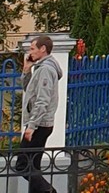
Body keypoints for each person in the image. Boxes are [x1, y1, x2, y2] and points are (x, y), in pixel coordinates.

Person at [16, 34, 61, 193]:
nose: (30, 52)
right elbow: (28, 90)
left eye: (33, 48)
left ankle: (49, 190)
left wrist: (31, 126)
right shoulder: (40, 68)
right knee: (33, 165)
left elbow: (43, 100)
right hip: (40, 124)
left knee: (22, 165)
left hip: (39, 125)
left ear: (43, 49)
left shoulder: (46, 69)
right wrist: (26, 70)